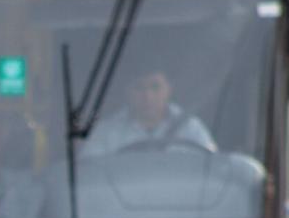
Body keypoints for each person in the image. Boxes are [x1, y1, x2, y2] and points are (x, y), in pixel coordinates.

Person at [81, 67, 217, 157]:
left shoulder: (191, 128)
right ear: (127, 92)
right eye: (139, 88)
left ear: (169, 90)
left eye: (155, 87)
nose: (147, 96)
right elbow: (91, 175)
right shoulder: (105, 133)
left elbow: (212, 168)